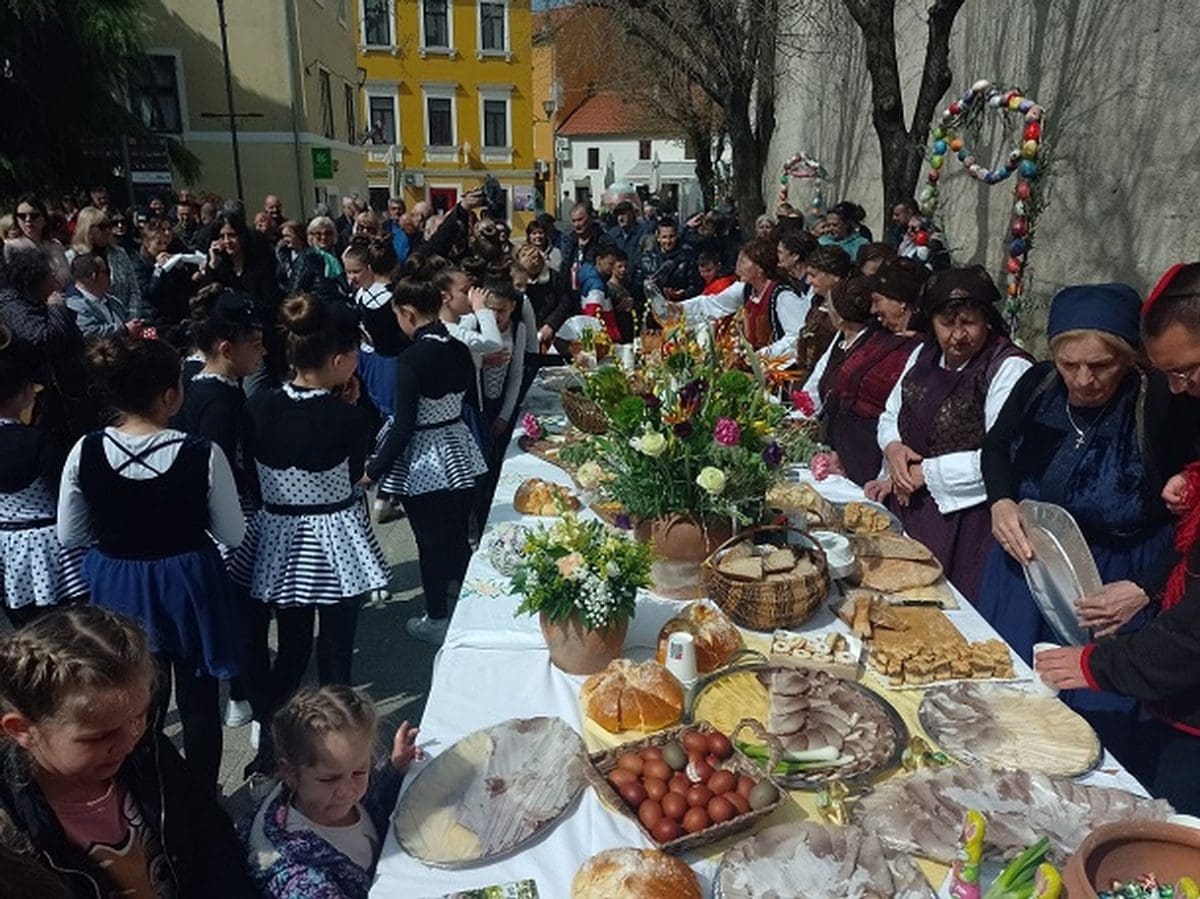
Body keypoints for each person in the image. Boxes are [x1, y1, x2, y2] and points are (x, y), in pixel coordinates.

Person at [979, 283, 1188, 762]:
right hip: (1025, 568)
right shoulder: (1039, 385)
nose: (1083, 379)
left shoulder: (1160, 404)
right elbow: (996, 449)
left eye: (1101, 365)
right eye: (1070, 364)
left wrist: (1145, 586)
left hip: (1111, 582)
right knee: (1006, 703)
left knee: (1087, 730)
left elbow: (1192, 518)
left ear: (1130, 358)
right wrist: (1001, 501)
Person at [56, 335, 245, 793]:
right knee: (198, 701)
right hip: (185, 580)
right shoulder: (202, 453)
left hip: (118, 580)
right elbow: (232, 534)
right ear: (170, 395)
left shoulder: (85, 449)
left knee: (134, 701)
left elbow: (69, 534)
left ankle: (145, 790)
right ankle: (202, 795)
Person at [0, 606, 258, 897]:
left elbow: (212, 838)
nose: (128, 742)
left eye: (140, 716)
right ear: (22, 730)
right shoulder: (13, 833)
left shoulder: (150, 752)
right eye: (100, 737)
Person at [231, 297, 390, 711]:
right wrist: (352, 406)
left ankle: (272, 734)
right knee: (336, 651)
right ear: (339, 360)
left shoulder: (258, 404)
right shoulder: (349, 418)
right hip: (336, 536)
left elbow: (250, 470)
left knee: (292, 645)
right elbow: (355, 471)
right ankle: (338, 729)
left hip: (281, 535)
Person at [866, 265, 1033, 603]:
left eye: (969, 322)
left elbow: (1004, 455)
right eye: (946, 324)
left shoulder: (1007, 368)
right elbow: (892, 413)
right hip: (909, 506)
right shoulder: (923, 354)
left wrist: (925, 472)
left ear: (987, 320)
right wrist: (894, 451)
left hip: (966, 522)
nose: (957, 335)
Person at [365, 272, 488, 645]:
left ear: (406, 312)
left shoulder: (411, 359)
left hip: (423, 457)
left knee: (429, 541)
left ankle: (437, 616)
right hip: (458, 445)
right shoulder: (459, 347)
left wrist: (374, 469)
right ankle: (473, 609)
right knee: (455, 537)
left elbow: (403, 426)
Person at [172, 289, 267, 732]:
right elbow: (218, 471)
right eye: (256, 343)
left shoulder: (207, 387)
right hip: (228, 523)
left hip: (219, 520)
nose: (263, 351)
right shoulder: (221, 402)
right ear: (226, 348)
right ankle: (246, 696)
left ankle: (244, 688)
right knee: (242, 614)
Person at [243, 685, 420, 898]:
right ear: (289, 773)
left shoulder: (316, 796)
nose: (348, 791)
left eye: (359, 772)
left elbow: (369, 804)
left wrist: (393, 770)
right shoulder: (302, 882)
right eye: (329, 779)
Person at [0, 327, 86, 629]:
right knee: (66, 629)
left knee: (26, 630)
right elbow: (63, 494)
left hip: (7, 547)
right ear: (24, 393)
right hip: (51, 548)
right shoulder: (38, 442)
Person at [801, 277, 918, 485]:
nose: (874, 310)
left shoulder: (894, 344)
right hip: (842, 448)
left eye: (879, 301)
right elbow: (819, 379)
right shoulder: (844, 340)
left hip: (870, 454)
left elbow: (891, 407)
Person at [0, 245, 95, 442]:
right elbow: (41, 338)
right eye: (49, 275)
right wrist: (56, 308)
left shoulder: (39, 301)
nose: (55, 279)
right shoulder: (15, 306)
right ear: (36, 280)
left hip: (70, 388)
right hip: (44, 401)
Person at [672, 238, 809, 358]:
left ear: (759, 268)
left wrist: (764, 355)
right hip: (755, 367)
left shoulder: (783, 296)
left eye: (743, 262)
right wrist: (679, 308)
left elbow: (797, 336)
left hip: (779, 373)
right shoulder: (746, 289)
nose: (737, 269)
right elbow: (713, 304)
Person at [345, 237, 405, 421]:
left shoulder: (371, 296)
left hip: (380, 359)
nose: (352, 277)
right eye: (349, 272)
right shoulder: (373, 295)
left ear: (370, 268)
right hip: (380, 359)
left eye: (356, 271)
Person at [67, 206, 145, 320]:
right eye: (102, 227)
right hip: (94, 325)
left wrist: (132, 319)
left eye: (108, 226)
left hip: (127, 321)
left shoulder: (119, 253)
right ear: (87, 229)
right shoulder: (72, 257)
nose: (108, 231)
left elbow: (134, 289)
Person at [130, 220, 195, 343]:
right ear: (147, 243)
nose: (163, 247)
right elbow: (150, 293)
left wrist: (180, 270)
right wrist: (159, 269)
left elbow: (184, 289)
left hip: (173, 320)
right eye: (158, 243)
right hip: (153, 322)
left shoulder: (169, 259)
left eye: (165, 243)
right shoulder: (138, 264)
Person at [793, 244, 851, 377]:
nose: (808, 281)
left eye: (813, 275)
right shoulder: (817, 302)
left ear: (835, 276)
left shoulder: (846, 311)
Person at [63, 253, 144, 340]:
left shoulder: (113, 301)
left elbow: (126, 322)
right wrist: (124, 330)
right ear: (93, 276)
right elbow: (89, 333)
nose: (111, 277)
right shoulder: (73, 305)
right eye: (107, 272)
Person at [5, 193, 70, 289]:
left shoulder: (56, 245)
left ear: (44, 219)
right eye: (22, 216)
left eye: (34, 216)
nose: (28, 220)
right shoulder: (12, 248)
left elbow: (67, 277)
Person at [288, 216, 349, 306]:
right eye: (318, 234)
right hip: (317, 309)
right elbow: (295, 290)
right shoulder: (306, 257)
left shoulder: (339, 255)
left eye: (328, 233)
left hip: (338, 308)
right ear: (311, 236)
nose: (323, 237)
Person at [639, 218, 701, 302]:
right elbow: (637, 284)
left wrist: (683, 293)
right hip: (653, 306)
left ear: (677, 235)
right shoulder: (647, 258)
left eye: (671, 237)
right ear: (658, 237)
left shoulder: (687, 257)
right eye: (664, 237)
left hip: (680, 306)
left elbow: (696, 285)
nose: (668, 241)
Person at [577, 244, 625, 341]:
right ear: (599, 260)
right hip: (603, 337)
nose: (612, 268)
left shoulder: (586, 273)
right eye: (610, 264)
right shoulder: (597, 287)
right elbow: (591, 316)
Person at [870, 256, 929, 335]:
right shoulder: (880, 335)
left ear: (901, 302)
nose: (872, 310)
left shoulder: (928, 340)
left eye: (877, 301)